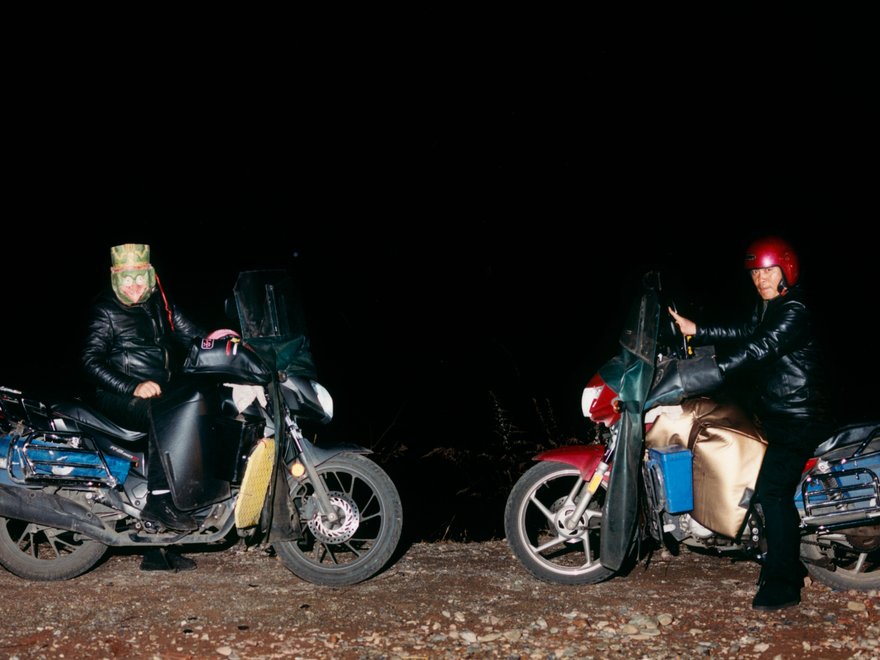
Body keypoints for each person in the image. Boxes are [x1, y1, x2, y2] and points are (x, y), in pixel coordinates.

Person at [668, 235, 834, 611]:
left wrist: (714, 370)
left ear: (786, 270)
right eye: (756, 272)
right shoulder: (770, 306)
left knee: (772, 489)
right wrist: (697, 329)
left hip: (800, 416)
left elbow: (760, 347)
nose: (761, 279)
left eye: (769, 271)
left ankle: (785, 582)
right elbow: (746, 331)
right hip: (775, 411)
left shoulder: (795, 309)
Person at [81, 243, 206, 571]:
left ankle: (158, 548)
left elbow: (191, 332)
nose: (135, 287)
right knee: (168, 418)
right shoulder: (106, 310)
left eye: (140, 279)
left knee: (195, 409)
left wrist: (224, 342)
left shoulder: (157, 303)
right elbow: (90, 360)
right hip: (119, 395)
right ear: (115, 278)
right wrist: (132, 386)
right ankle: (159, 502)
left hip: (157, 392)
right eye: (127, 281)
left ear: (150, 276)